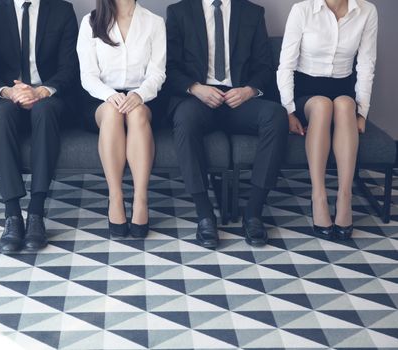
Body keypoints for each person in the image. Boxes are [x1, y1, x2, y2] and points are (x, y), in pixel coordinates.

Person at [166, 0, 288, 248]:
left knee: (275, 115)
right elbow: (169, 67)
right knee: (184, 117)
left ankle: (253, 212)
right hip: (199, 98)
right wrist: (195, 88)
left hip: (239, 100)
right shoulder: (179, 11)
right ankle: (204, 214)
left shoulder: (252, 12)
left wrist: (250, 90)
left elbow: (265, 66)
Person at [0, 0, 79, 254]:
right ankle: (12, 215)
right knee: (2, 114)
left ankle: (36, 213)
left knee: (44, 111)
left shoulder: (62, 10)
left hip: (48, 97)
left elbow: (70, 68)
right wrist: (10, 92)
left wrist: (42, 91)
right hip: (8, 96)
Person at [277, 0, 377, 240]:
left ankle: (345, 197)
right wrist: (289, 110)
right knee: (322, 105)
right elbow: (286, 65)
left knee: (345, 105)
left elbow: (366, 65)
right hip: (307, 91)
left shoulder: (367, 11)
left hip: (343, 88)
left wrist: (362, 112)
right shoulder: (302, 10)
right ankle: (319, 196)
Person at [77, 0, 166, 239]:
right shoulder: (91, 22)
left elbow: (158, 73)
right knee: (113, 112)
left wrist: (138, 95)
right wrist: (111, 96)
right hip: (100, 98)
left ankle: (140, 199)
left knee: (136, 113)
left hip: (143, 96)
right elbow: (88, 75)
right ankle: (115, 197)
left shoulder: (155, 23)